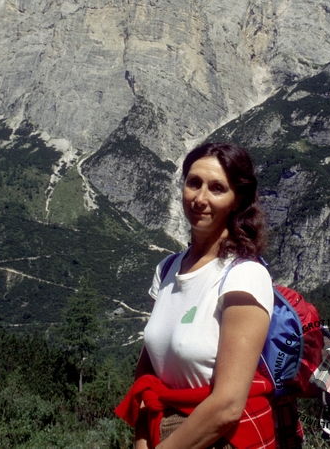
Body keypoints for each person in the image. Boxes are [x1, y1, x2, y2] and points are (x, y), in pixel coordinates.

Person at [115, 142, 276, 449]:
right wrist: (141, 439)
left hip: (216, 439)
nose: (200, 199)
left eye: (217, 188)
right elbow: (148, 371)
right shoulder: (167, 269)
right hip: (161, 431)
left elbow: (227, 406)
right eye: (194, 183)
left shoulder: (244, 276)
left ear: (237, 200)